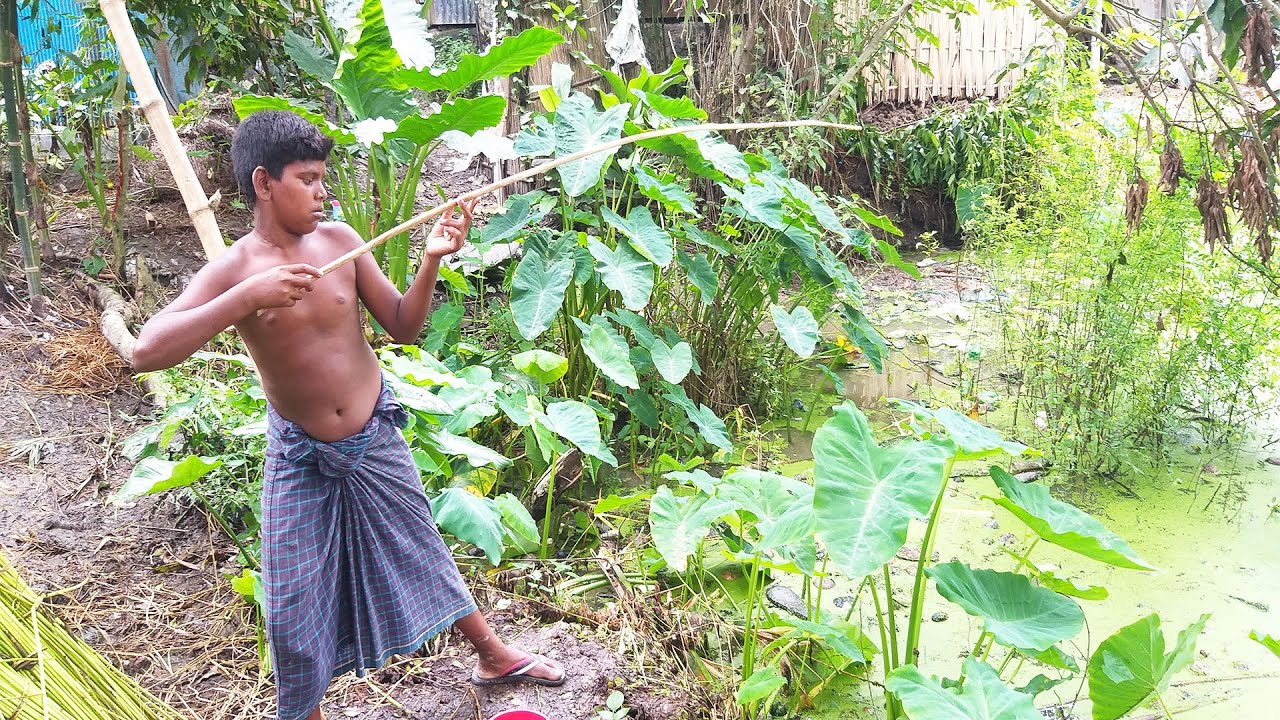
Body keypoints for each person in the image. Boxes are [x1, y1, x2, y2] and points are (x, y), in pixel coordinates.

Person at [133, 110, 565, 720]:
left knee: (421, 548)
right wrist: (246, 299)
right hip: (301, 456)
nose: (321, 191)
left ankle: (492, 654)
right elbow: (149, 350)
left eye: (323, 178)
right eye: (306, 179)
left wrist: (431, 259)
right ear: (263, 182)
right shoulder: (236, 270)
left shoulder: (341, 243)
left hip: (375, 436)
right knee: (289, 604)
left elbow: (404, 327)